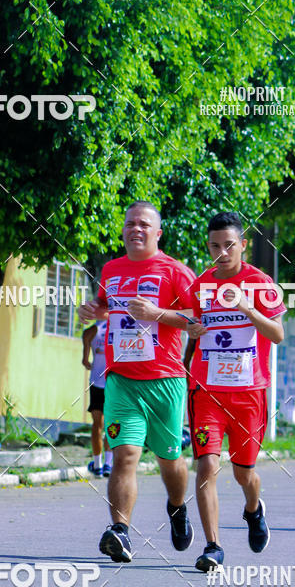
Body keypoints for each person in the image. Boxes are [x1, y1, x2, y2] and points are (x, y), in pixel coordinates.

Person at [78, 200, 195, 563]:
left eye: (144, 224)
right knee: (124, 456)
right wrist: (93, 310)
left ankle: (177, 509)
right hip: (121, 380)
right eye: (131, 223)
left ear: (157, 233)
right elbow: (103, 306)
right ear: (124, 229)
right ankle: (121, 531)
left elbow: (198, 320)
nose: (136, 229)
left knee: (169, 461)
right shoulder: (111, 269)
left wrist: (157, 313)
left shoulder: (175, 271)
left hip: (165, 380)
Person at [186, 212, 285, 571]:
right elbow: (190, 320)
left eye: (229, 245)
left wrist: (248, 308)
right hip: (207, 391)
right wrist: (192, 329)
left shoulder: (260, 283)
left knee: (244, 474)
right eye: (215, 246)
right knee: (207, 466)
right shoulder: (200, 285)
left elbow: (277, 334)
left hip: (249, 393)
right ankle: (213, 546)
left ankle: (253, 509)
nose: (222, 252)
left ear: (243, 245)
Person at [82, 319, 113, 476]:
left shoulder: (93, 329)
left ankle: (98, 464)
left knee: (97, 425)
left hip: (97, 382)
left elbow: (85, 361)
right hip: (114, 382)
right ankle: (107, 464)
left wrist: (86, 355)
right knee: (111, 424)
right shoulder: (119, 325)